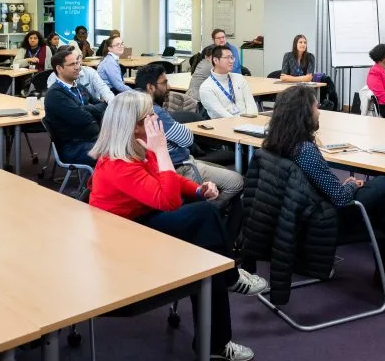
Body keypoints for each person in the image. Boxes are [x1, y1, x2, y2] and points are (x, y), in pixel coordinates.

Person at [87, 92, 266, 361]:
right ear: (132, 125)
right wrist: (161, 150)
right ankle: (228, 285)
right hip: (122, 241)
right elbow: (168, 201)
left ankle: (224, 292)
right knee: (205, 223)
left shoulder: (133, 150)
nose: (154, 119)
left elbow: (163, 179)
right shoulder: (119, 165)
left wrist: (197, 189)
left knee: (207, 257)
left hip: (139, 224)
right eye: (149, 117)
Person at [262, 85, 385, 287]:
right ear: (304, 114)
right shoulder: (305, 150)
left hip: (293, 215)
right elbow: (341, 199)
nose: (319, 112)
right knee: (383, 184)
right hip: (319, 220)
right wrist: (351, 185)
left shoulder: (275, 142)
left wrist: (340, 185)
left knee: (379, 201)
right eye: (316, 108)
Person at [136, 64, 243, 208]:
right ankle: (209, 211)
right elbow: (187, 139)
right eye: (164, 83)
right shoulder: (153, 111)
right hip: (180, 167)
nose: (168, 86)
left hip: (163, 167)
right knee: (237, 180)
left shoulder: (130, 103)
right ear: (150, 87)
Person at [44, 48, 106, 165]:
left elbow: (104, 105)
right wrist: (91, 110)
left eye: (78, 63)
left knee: (128, 148)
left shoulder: (79, 87)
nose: (78, 67)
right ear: (59, 69)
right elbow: (83, 118)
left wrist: (83, 108)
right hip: (73, 147)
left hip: (93, 140)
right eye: (72, 64)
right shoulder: (56, 94)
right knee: (115, 156)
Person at [199, 45, 257, 118]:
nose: (231, 61)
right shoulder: (206, 87)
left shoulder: (239, 78)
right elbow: (221, 114)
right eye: (227, 58)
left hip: (247, 123)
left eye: (232, 57)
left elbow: (251, 103)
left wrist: (252, 120)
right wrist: (241, 123)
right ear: (215, 60)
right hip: (224, 126)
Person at [46, 46, 115, 103]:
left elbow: (105, 90)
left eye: (78, 57)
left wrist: (113, 104)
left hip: (94, 108)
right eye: (72, 61)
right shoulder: (54, 77)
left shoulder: (90, 72)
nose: (78, 61)